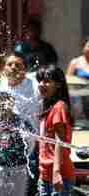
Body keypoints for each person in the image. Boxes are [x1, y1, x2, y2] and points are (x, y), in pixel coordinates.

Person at [0, 52, 42, 196]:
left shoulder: (34, 87)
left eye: (18, 65)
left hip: (28, 154)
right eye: (10, 64)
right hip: (0, 154)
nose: (13, 68)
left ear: (25, 70)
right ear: (3, 69)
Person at [36, 65, 75, 196]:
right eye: (40, 81)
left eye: (47, 81)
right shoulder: (48, 108)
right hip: (46, 175)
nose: (41, 84)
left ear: (58, 84)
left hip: (59, 175)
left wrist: (56, 172)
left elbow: (60, 141)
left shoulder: (59, 107)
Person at [0, 92, 36, 196]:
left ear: (12, 103)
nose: (3, 105)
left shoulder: (22, 122)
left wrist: (23, 157)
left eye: (5, 101)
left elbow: (31, 143)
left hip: (19, 167)